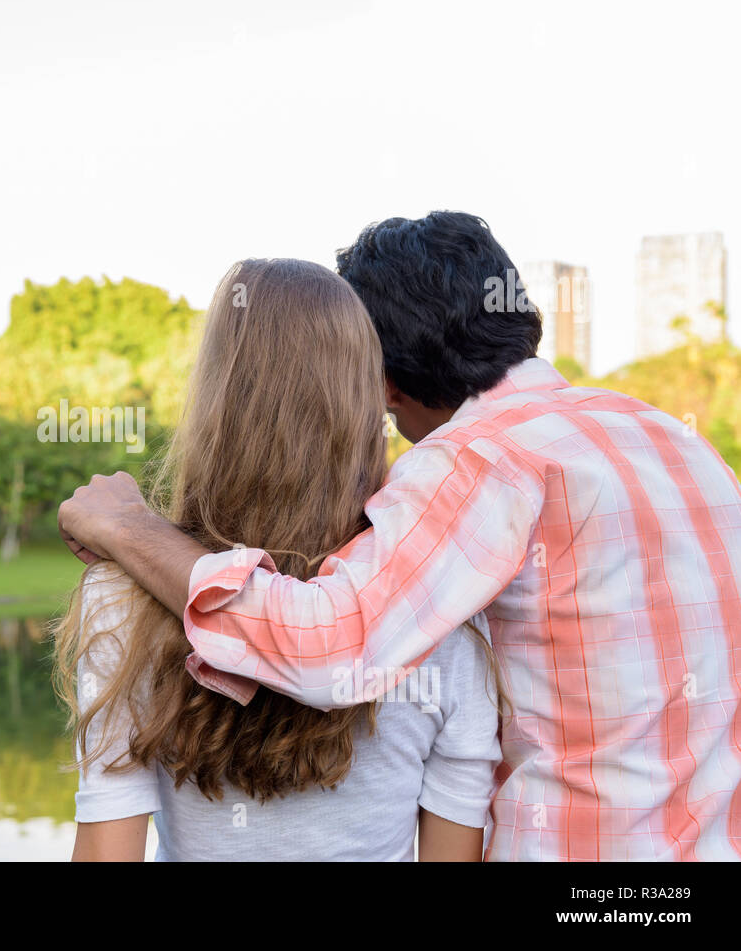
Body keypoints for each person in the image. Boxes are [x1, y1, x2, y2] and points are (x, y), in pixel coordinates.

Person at [57, 212, 741, 861]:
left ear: (380, 378)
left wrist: (130, 528)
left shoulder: (472, 461)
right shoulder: (680, 445)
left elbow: (329, 645)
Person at [54, 258, 503, 861]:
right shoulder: (441, 616)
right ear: (365, 402)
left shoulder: (122, 599)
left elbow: (108, 851)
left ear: (214, 396)